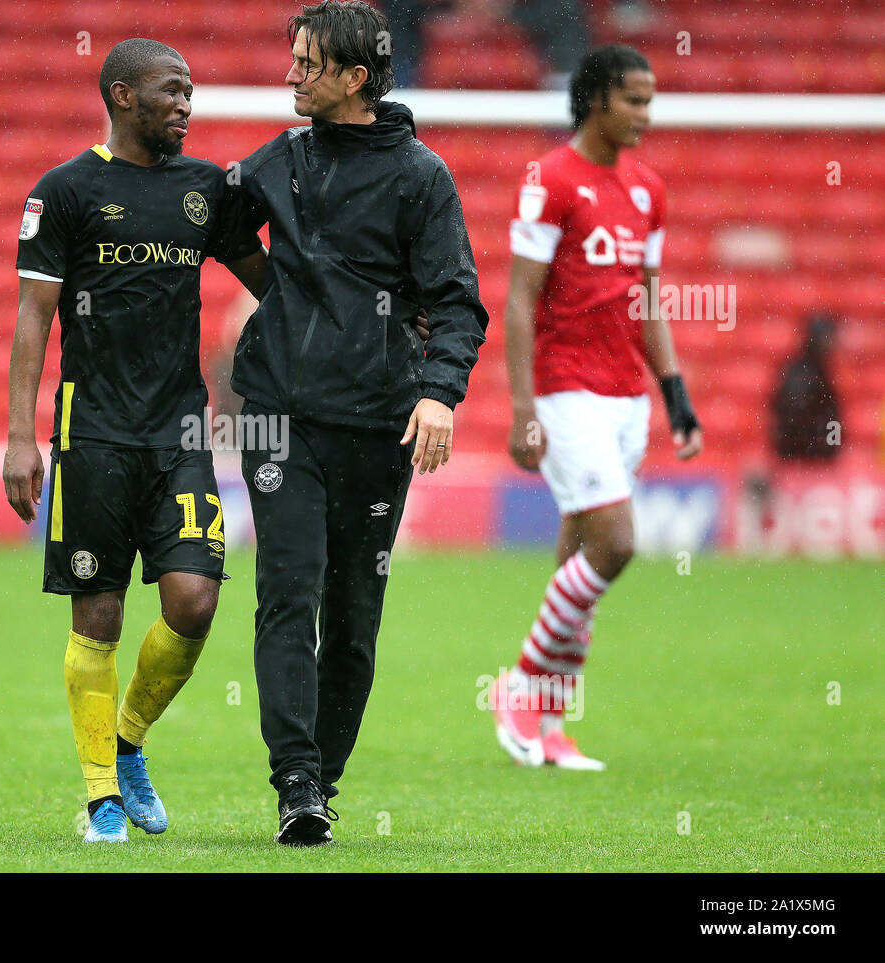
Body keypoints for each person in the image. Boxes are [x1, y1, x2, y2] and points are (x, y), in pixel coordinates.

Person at [226, 0, 489, 845]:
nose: (292, 74)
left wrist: (439, 393)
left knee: (353, 615)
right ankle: (295, 780)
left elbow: (457, 302)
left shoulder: (421, 177)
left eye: (308, 63)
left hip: (378, 423)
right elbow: (218, 220)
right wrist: (287, 304)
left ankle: (321, 777)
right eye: (293, 58)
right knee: (286, 589)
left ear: (355, 80)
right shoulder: (280, 159)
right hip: (280, 417)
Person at [3, 39, 267, 843]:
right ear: (123, 96)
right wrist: (21, 436)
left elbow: (267, 280)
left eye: (190, 93)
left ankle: (127, 743)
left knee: (195, 599)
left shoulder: (204, 188)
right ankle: (100, 798)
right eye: (171, 92)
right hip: (94, 434)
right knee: (101, 616)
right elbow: (33, 320)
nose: (187, 105)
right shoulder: (66, 191)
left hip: (182, 431)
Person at [493, 44, 702, 770]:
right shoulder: (549, 180)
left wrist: (675, 394)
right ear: (595, 100)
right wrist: (523, 404)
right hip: (565, 386)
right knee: (615, 544)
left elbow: (647, 301)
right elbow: (520, 297)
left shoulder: (648, 189)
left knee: (580, 551)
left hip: (625, 396)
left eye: (650, 99)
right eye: (634, 99)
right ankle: (518, 685)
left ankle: (550, 724)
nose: (647, 113)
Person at [771, 312, 841, 462]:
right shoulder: (802, 374)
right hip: (803, 460)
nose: (831, 345)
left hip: (811, 458)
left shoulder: (817, 371)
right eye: (827, 339)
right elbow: (793, 420)